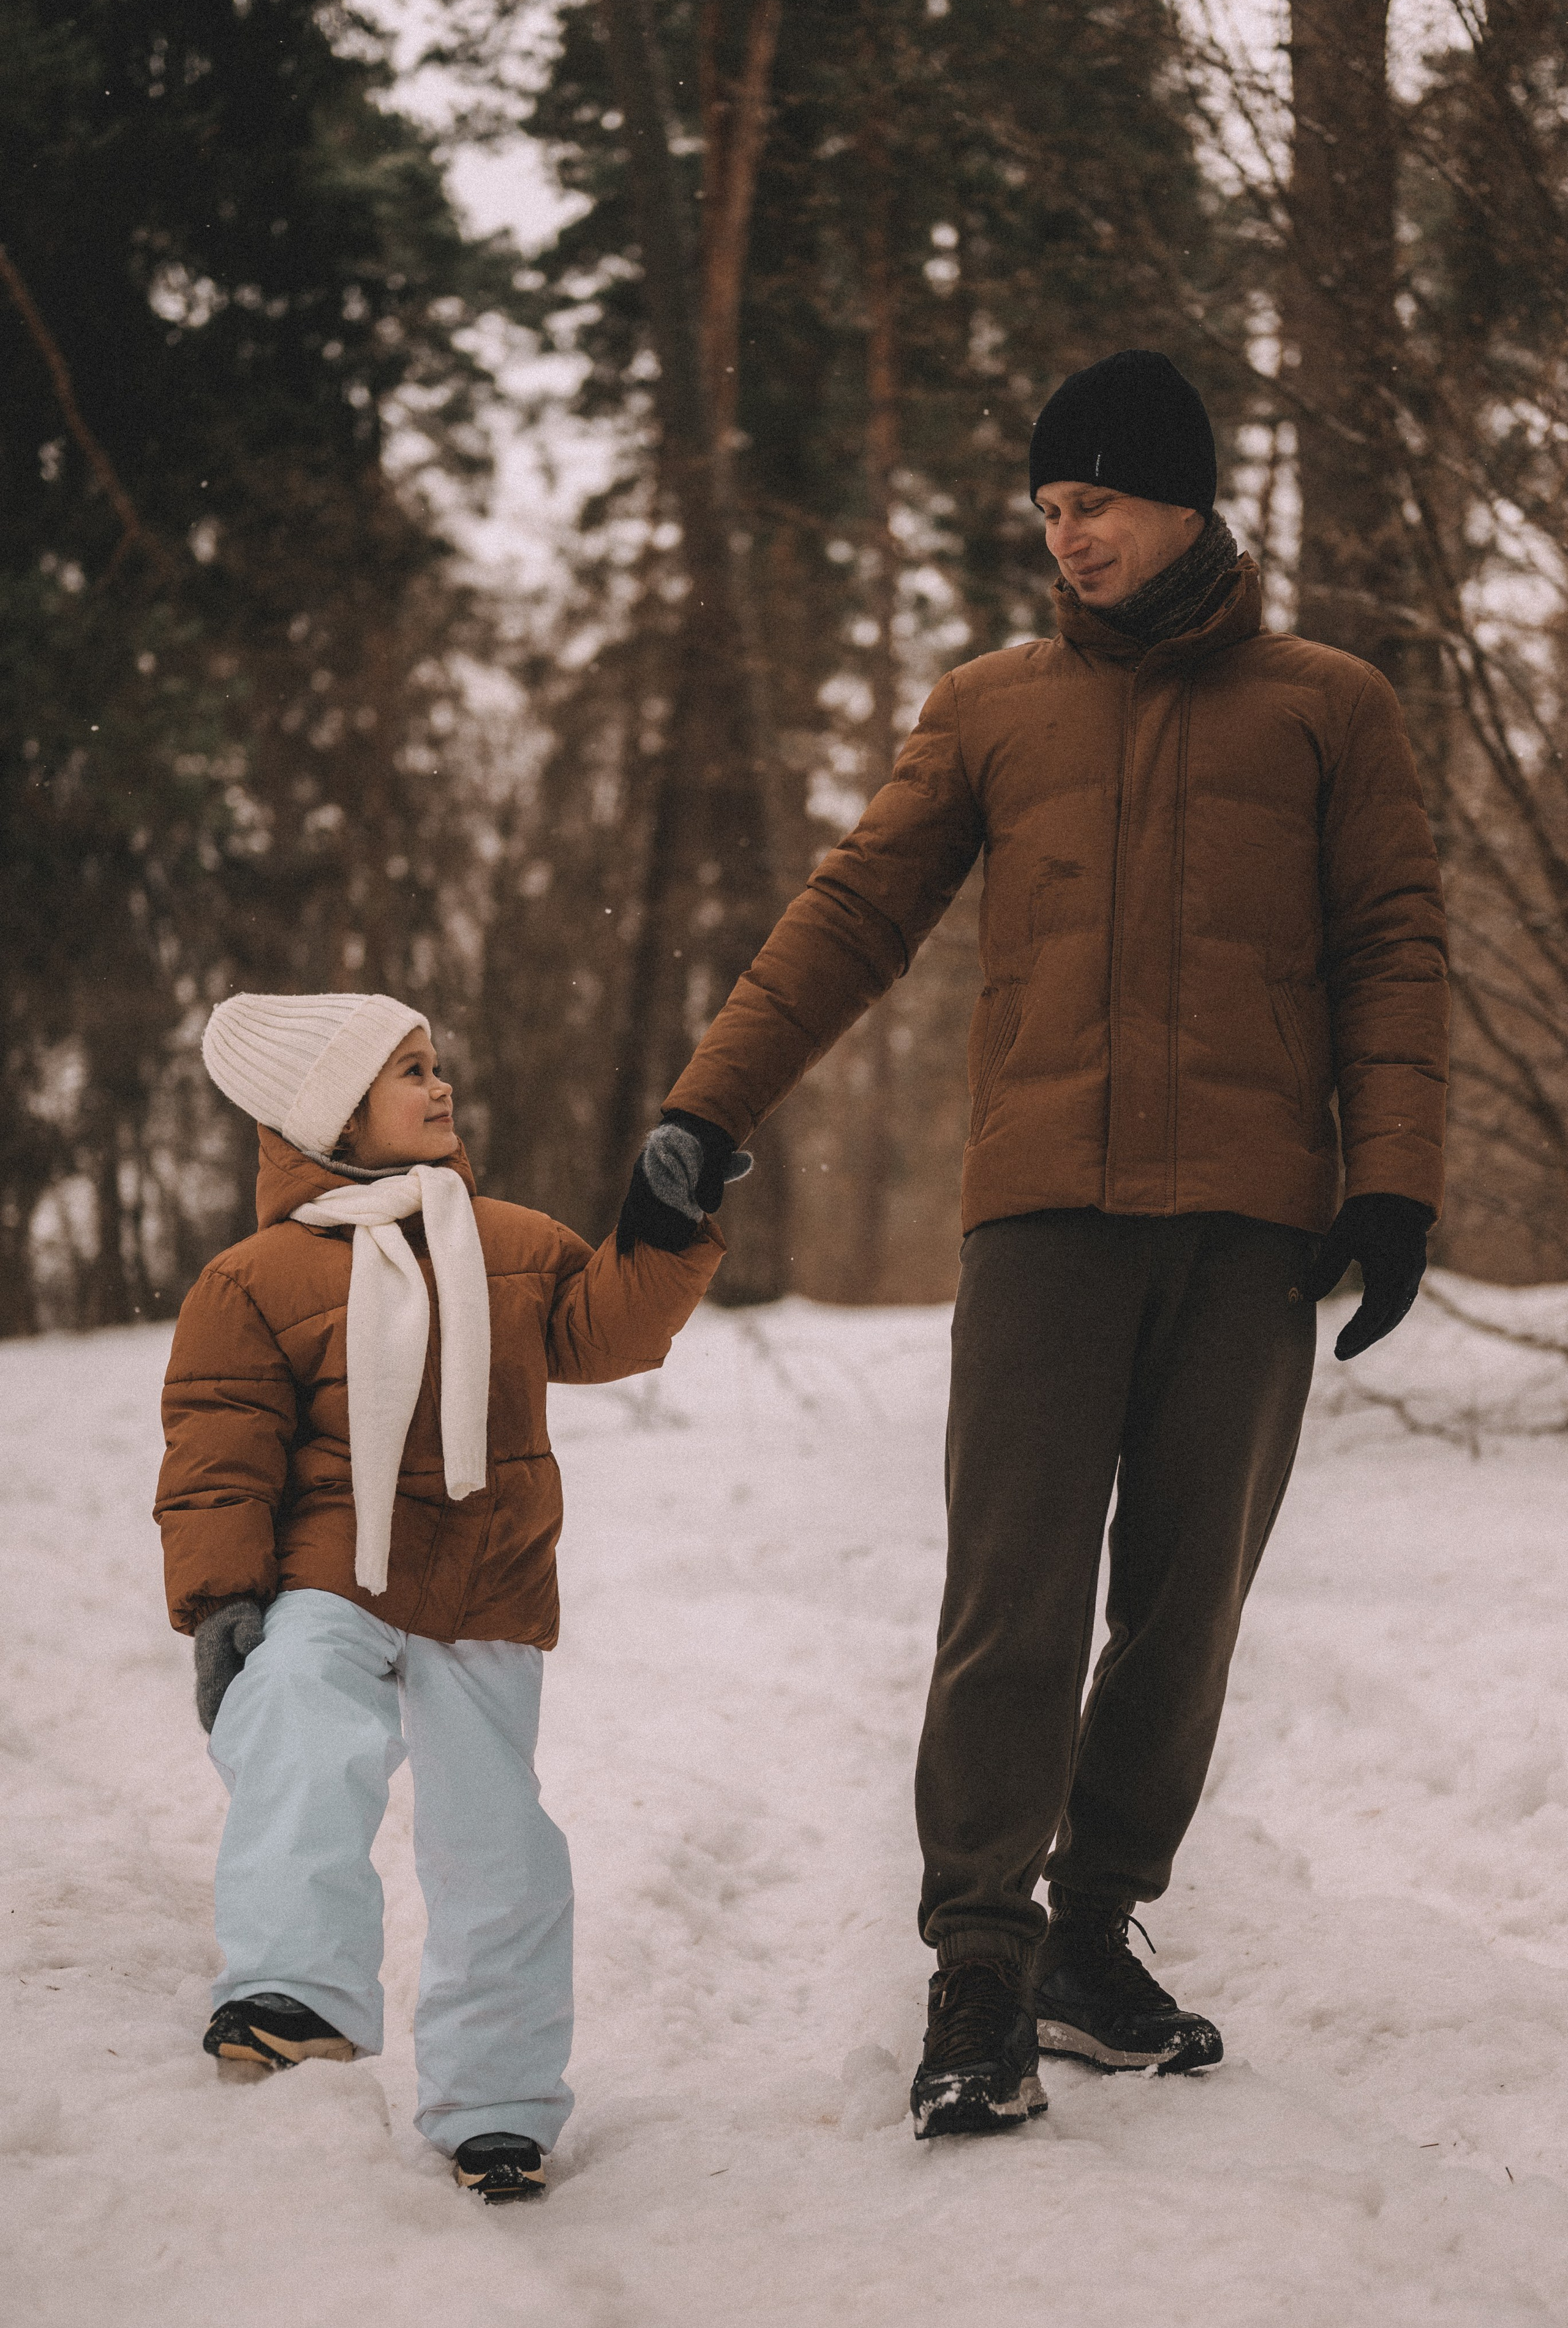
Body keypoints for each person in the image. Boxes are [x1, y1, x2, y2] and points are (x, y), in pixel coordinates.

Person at [616, 350, 1449, 2139]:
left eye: (1098, 504)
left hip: (1247, 1227)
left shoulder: (1329, 708)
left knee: (1185, 1605)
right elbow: (855, 914)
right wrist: (709, 1106)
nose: (1067, 537)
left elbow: (1391, 944)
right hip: (1044, 1220)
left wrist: (1393, 1178)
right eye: (1050, 511)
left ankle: (1092, 1931)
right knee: (1013, 1593)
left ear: (1185, 503)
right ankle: (979, 1964)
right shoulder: (992, 708)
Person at [155, 991, 726, 2199]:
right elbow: (219, 1451)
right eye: (407, 1070)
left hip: (483, 1590)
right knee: (302, 1722)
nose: (440, 1085)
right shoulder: (254, 1281)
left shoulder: (509, 1244)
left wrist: (663, 1224)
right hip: (334, 1571)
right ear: (332, 1116)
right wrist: (222, 1603)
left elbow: (604, 1329)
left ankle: (497, 2105)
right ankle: (292, 1994)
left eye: (436, 1063)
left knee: (500, 1849)